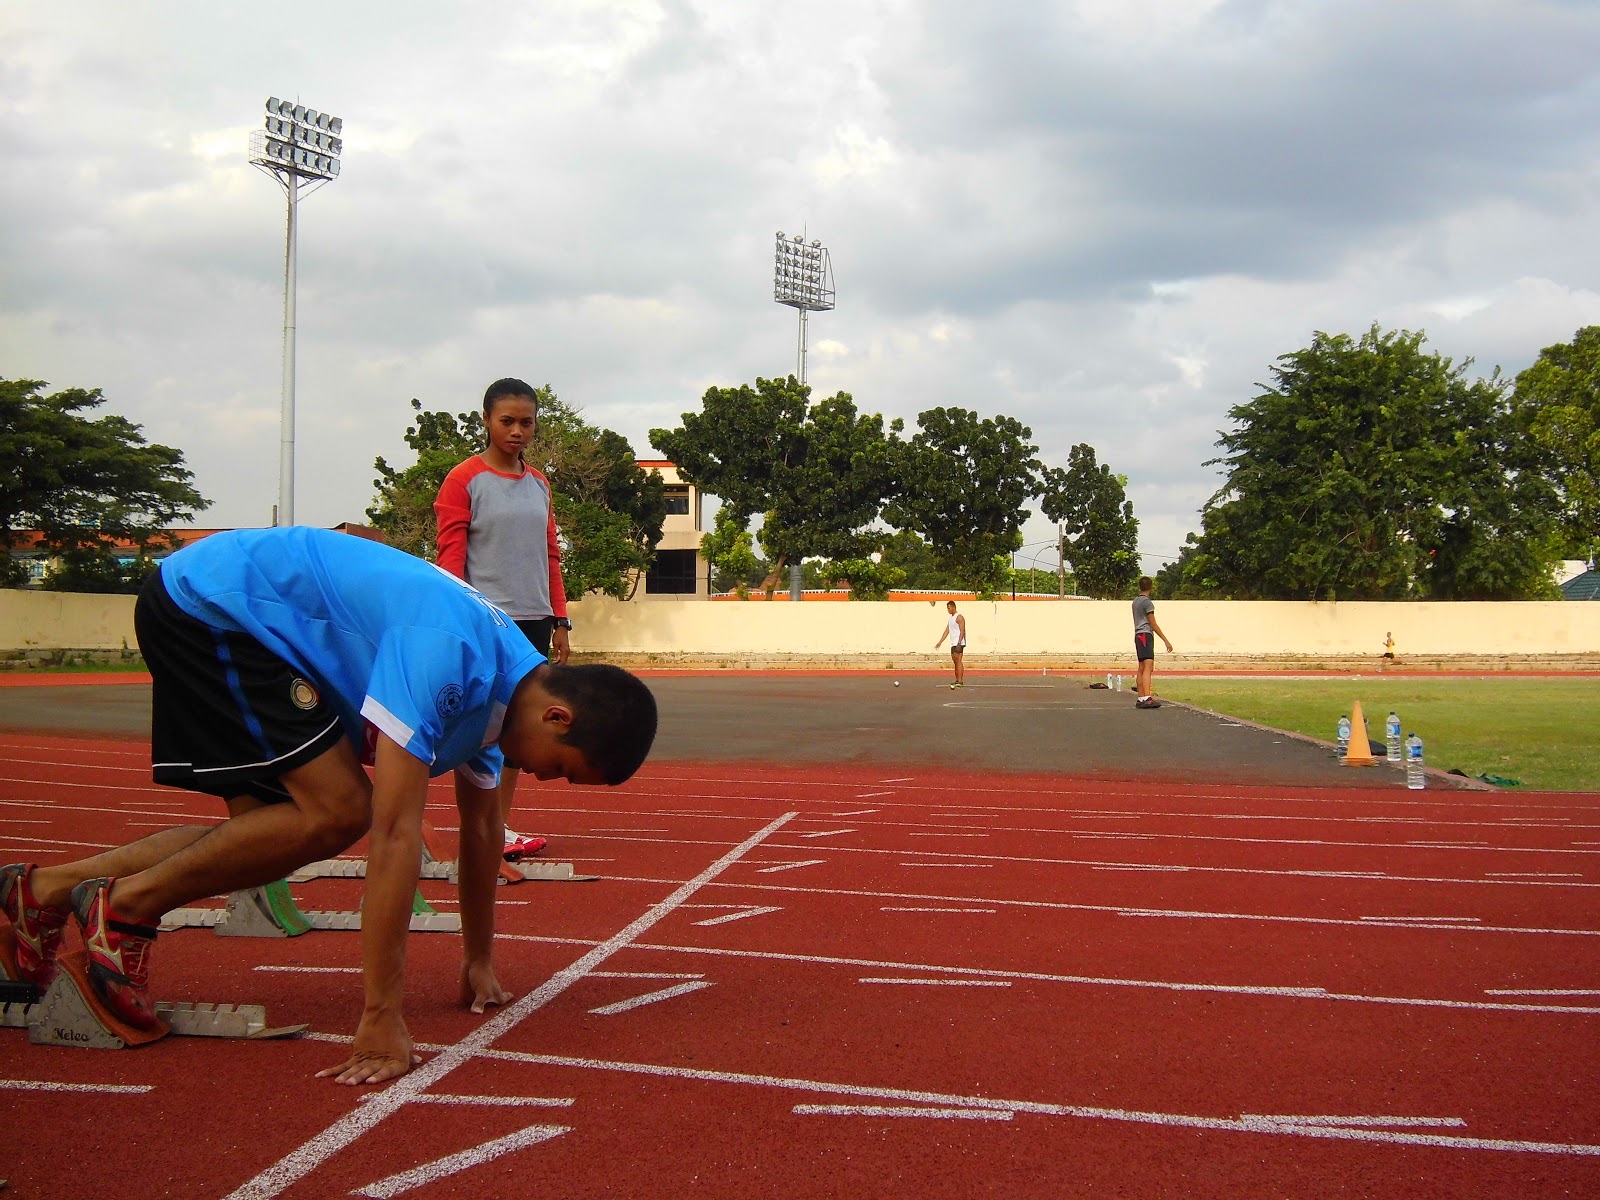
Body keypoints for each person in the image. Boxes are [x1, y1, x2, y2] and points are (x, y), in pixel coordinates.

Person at [0, 526, 656, 1085]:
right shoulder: (449, 655)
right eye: (564, 772)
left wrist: (478, 959)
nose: (545, 779)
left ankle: (42, 892)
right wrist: (379, 1018)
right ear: (558, 716)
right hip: (212, 605)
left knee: (268, 834)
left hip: (242, 620)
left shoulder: (505, 703)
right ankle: (123, 910)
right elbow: (396, 835)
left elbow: (481, 832)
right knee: (341, 812)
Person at [435, 377, 571, 863]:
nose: (517, 431)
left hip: (535, 620)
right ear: (487, 421)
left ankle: (500, 826)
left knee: (518, 729)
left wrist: (561, 620)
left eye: (526, 422)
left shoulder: (540, 484)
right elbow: (450, 558)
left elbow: (551, 555)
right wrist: (455, 619)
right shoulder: (464, 480)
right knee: (479, 726)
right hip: (484, 619)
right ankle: (480, 824)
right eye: (507, 421)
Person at [1132, 576, 1173, 709]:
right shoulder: (1147, 603)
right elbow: (1153, 624)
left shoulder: (1135, 602)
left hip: (1138, 634)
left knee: (1141, 667)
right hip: (1145, 635)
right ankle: (1147, 697)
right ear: (1151, 587)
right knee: (1148, 667)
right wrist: (1166, 640)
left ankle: (1141, 696)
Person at [933, 599, 967, 689]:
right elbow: (947, 630)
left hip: (958, 642)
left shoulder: (959, 617)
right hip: (953, 642)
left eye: (949, 608)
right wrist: (940, 642)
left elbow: (962, 630)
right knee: (955, 661)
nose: (948, 610)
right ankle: (957, 679)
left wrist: (960, 642)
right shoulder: (951, 618)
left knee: (958, 660)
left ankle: (960, 680)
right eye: (947, 608)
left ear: (953, 607)